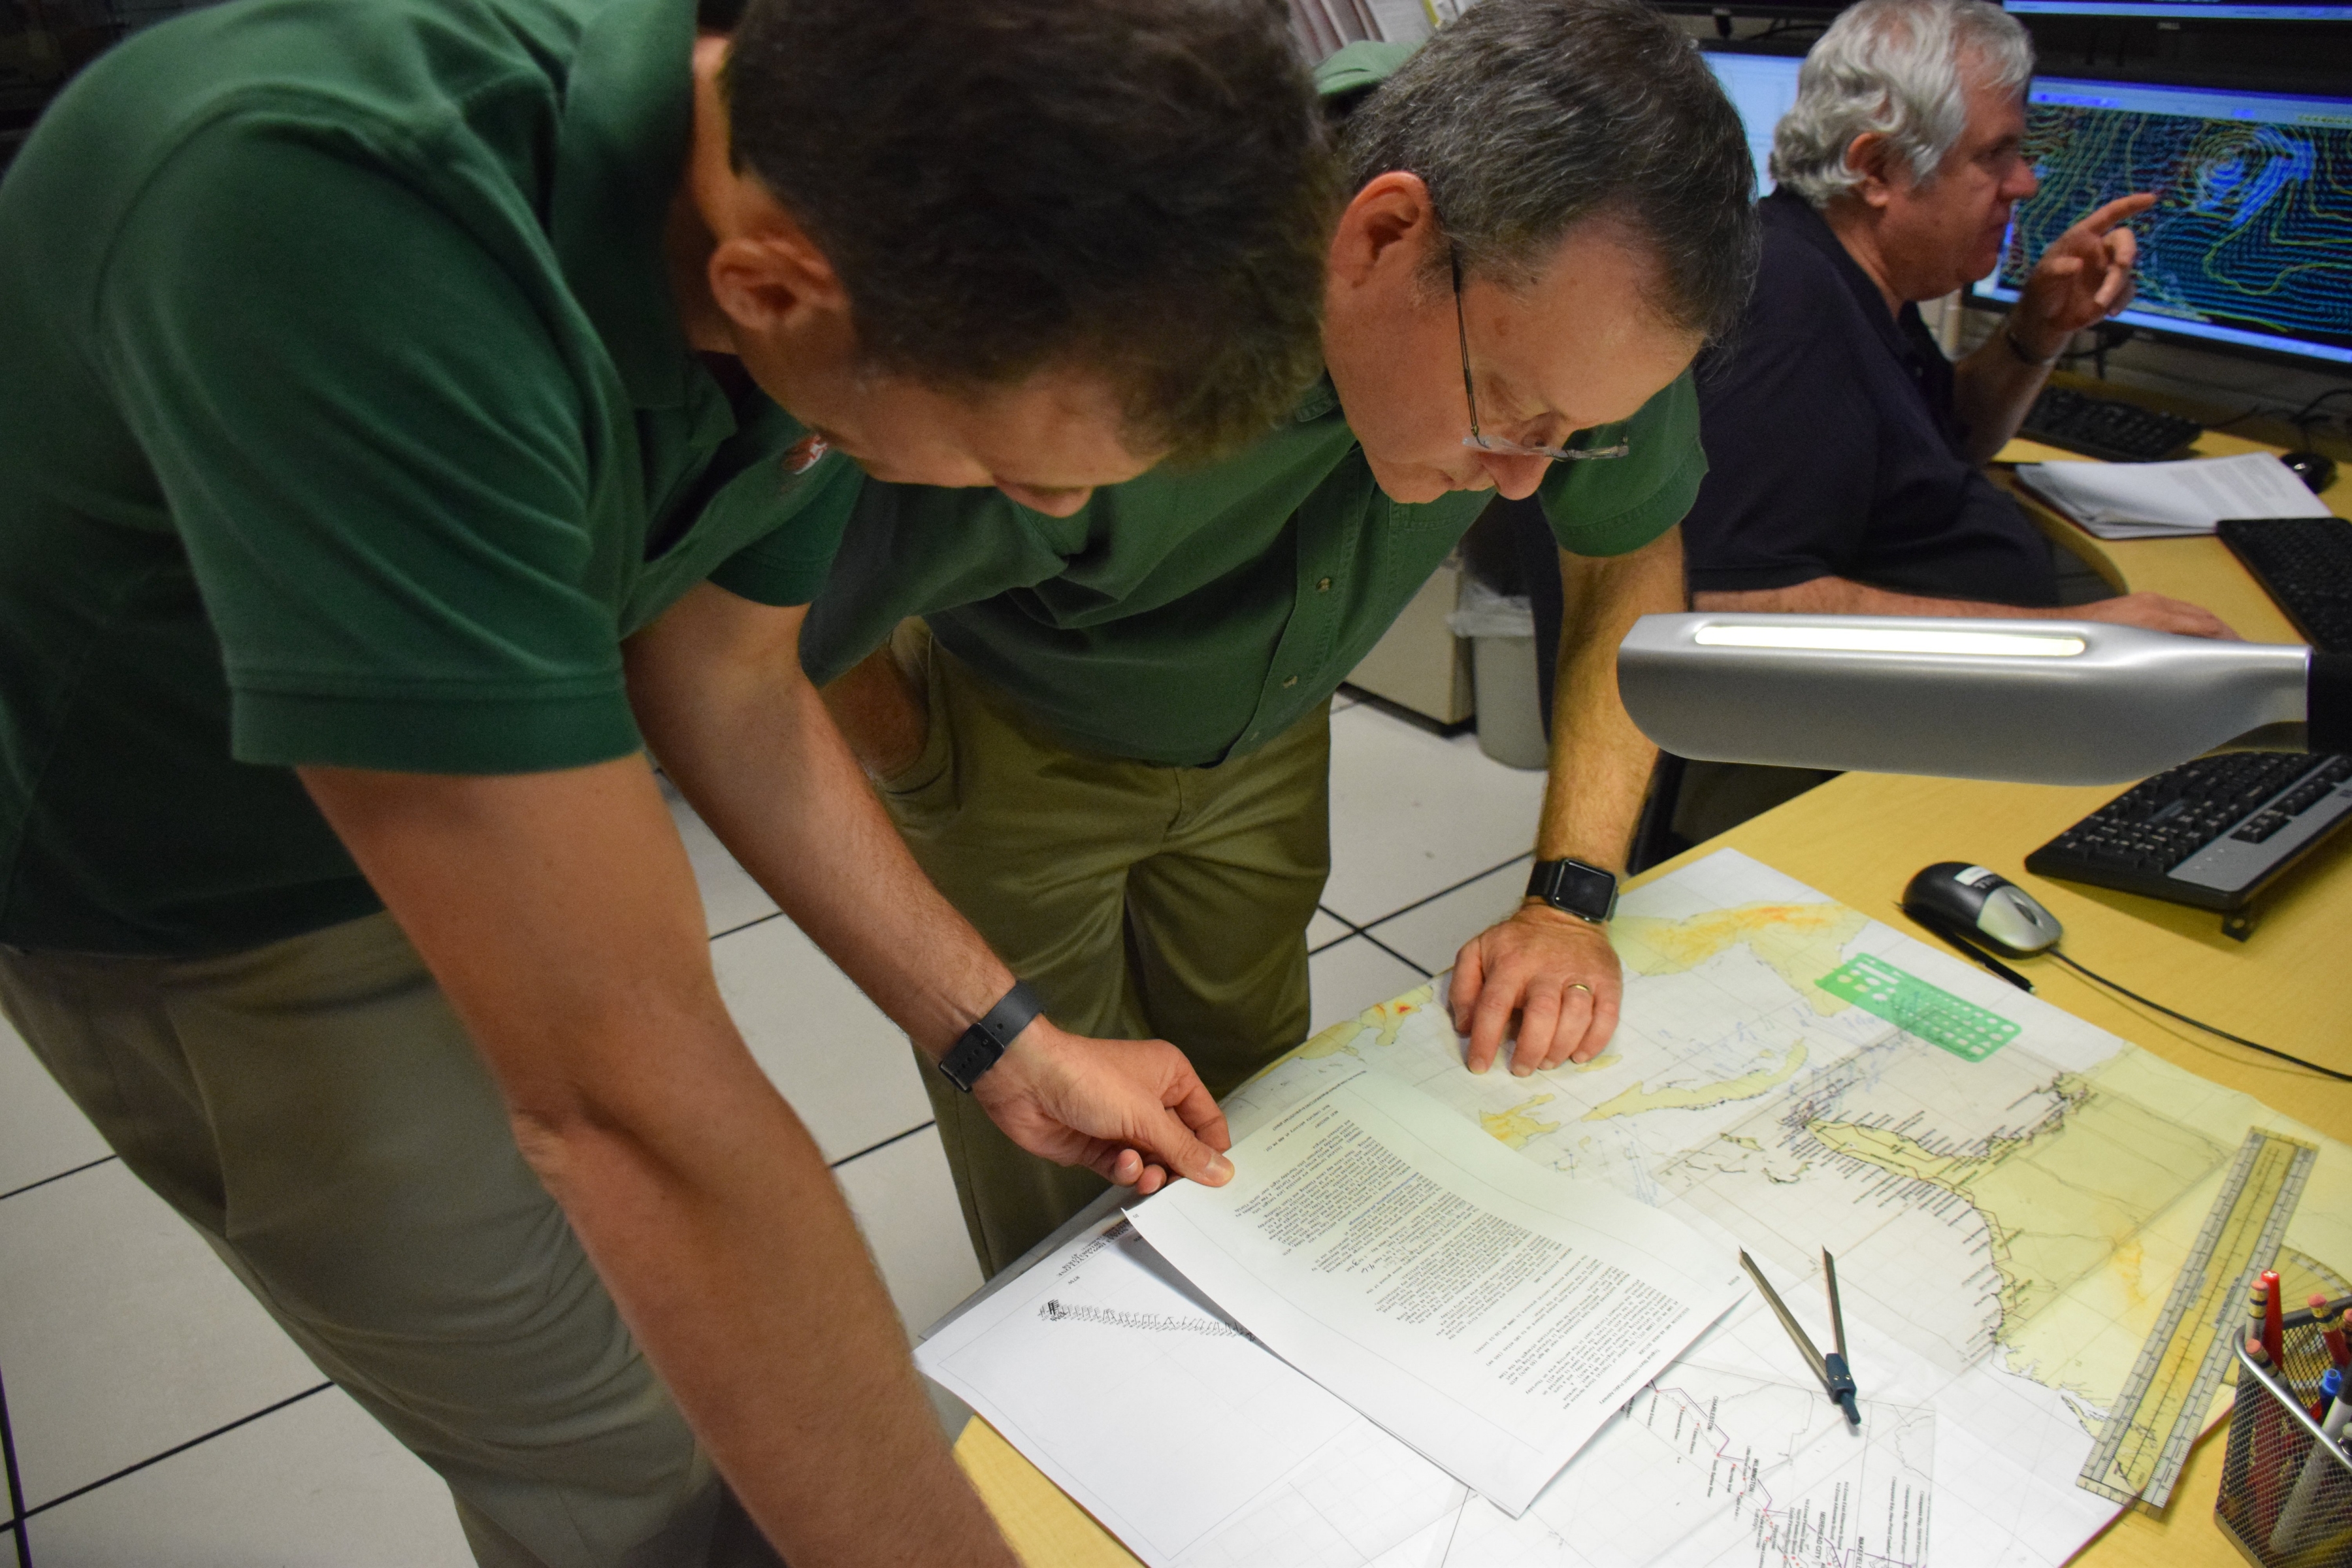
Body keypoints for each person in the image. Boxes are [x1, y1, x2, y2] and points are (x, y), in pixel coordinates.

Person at [0, 0, 1337, 1561]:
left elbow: (730, 681)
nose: (1046, 510)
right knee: (635, 1458)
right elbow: (621, 1100)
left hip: (501, 740)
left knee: (753, 1378)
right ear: (770, 288)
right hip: (221, 888)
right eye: (1005, 461)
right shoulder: (333, 202)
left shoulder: (831, 199)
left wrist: (1004, 1032)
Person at [804, 0, 1760, 1277]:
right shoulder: (1112, 292)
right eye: (1510, 418)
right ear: (1381, 238)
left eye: (1569, 435)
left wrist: (1574, 890)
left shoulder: (1582, 283)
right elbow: (760, 618)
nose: (1524, 485)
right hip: (1011, 733)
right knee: (1054, 1153)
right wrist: (911, 751)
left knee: (1254, 1106)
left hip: (1270, 724)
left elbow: (1627, 546)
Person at [1677, 0, 2236, 635]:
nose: (2024, 183)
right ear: (1878, 169)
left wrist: (2038, 330)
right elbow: (1735, 599)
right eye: (1995, 155)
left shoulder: (1854, 280)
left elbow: (1952, 442)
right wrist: (2081, 633)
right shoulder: (1789, 304)